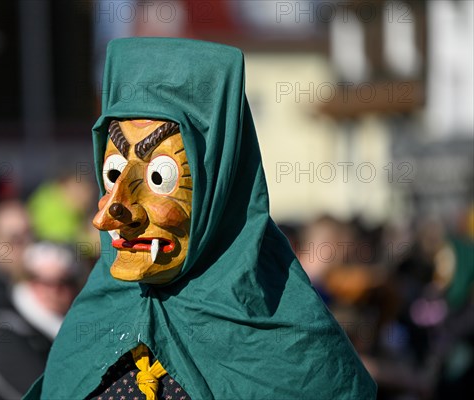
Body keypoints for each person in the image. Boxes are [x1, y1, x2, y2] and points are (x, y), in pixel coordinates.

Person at [25, 38, 376, 399]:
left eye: (160, 178)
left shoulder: (290, 343)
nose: (108, 215)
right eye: (113, 173)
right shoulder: (91, 322)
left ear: (219, 188)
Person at [0, 241, 87, 400]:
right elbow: (45, 394)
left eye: (63, 282)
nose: (53, 291)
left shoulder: (78, 327)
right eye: (43, 281)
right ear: (27, 280)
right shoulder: (5, 333)